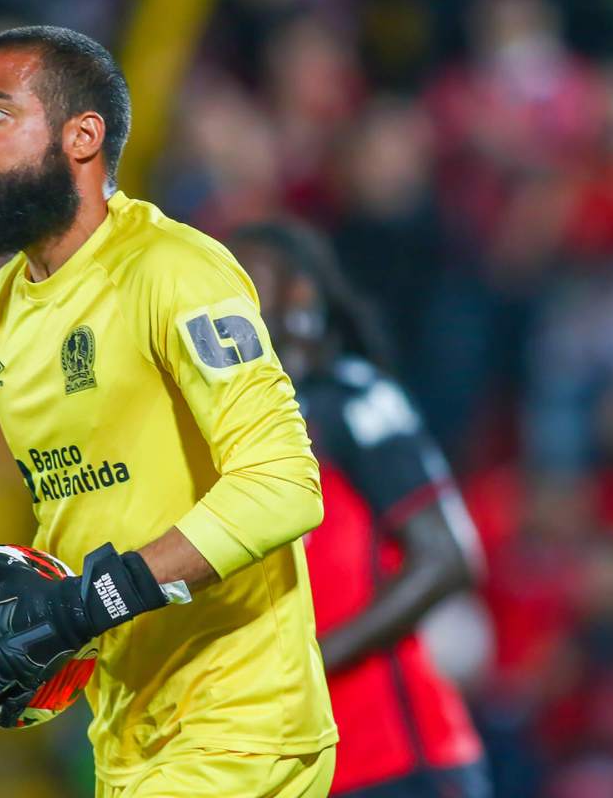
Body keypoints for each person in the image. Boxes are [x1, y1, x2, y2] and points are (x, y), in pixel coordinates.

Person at [0, 26, 337, 797]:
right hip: (126, 740)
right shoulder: (0, 308)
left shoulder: (174, 271)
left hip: (241, 730)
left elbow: (284, 483)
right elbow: (93, 504)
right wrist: (8, 614)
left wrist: (89, 602)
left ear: (82, 137)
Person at [229, 221, 492, 798]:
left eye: (245, 281)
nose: (223, 301)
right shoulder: (234, 436)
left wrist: (307, 668)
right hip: (302, 776)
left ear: (299, 295)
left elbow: (448, 558)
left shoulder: (355, 402)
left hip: (402, 762)